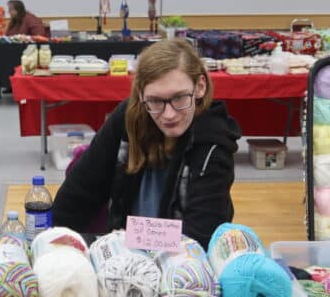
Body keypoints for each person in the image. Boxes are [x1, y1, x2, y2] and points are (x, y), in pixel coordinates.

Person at [52, 39, 241, 249]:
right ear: (141, 94)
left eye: (179, 98)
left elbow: (200, 238)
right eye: (155, 101)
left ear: (200, 87)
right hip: (123, 256)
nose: (169, 114)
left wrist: (126, 239)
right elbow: (79, 191)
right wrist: (53, 240)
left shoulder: (214, 144)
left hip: (181, 267)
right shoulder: (127, 118)